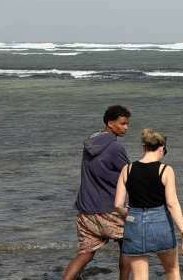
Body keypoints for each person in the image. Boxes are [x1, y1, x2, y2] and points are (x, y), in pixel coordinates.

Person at [63, 106, 132, 280]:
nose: (126, 128)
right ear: (110, 123)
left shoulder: (90, 143)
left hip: (86, 209)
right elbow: (129, 176)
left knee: (86, 253)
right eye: (123, 124)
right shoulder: (116, 147)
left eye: (127, 124)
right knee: (128, 245)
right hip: (109, 208)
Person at [115, 129, 183, 280]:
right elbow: (172, 204)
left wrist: (130, 216)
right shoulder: (165, 170)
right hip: (160, 224)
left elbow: (118, 205)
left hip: (134, 225)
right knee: (172, 271)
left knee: (140, 277)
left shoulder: (127, 169)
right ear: (162, 148)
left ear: (144, 147)